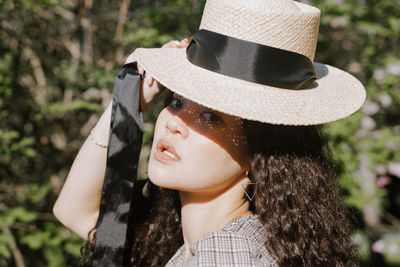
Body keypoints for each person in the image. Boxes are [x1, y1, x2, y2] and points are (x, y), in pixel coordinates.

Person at [53, 0, 366, 266]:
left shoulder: (225, 255)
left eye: (210, 117)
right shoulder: (195, 241)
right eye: (176, 100)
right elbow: (76, 212)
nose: (174, 122)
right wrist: (126, 104)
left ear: (258, 156)